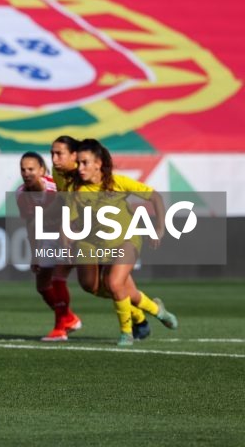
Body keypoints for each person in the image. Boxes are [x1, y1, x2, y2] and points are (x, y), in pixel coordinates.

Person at [71, 138, 178, 346]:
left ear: (98, 163)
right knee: (98, 287)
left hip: (127, 240)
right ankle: (155, 310)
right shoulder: (78, 191)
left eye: (84, 162)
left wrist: (159, 228)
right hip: (97, 245)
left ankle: (127, 333)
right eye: (78, 163)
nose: (80, 167)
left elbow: (155, 197)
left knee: (114, 283)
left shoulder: (118, 182)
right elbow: (71, 220)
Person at [51, 135, 150, 341]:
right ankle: (140, 314)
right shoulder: (60, 174)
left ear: (74, 156)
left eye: (59, 154)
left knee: (114, 284)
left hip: (109, 236)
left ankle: (132, 326)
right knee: (91, 286)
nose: (54, 160)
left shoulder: (96, 176)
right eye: (52, 154)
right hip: (84, 233)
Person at [15, 151, 81, 341]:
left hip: (70, 234)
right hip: (47, 237)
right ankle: (68, 318)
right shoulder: (21, 194)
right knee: (43, 285)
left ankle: (60, 328)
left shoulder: (55, 189)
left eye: (31, 169)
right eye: (23, 169)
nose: (26, 173)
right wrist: (35, 253)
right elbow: (30, 225)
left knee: (87, 284)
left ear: (43, 170)